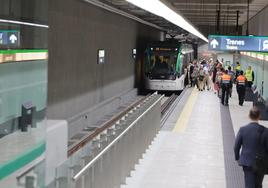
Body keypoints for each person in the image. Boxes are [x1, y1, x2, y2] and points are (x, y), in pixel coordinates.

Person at [234, 107, 268, 188]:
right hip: (261, 163)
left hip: (247, 162)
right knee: (258, 185)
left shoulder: (243, 129)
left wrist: (237, 158)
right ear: (259, 116)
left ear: (249, 116)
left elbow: (236, 146)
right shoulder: (265, 131)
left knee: (249, 185)